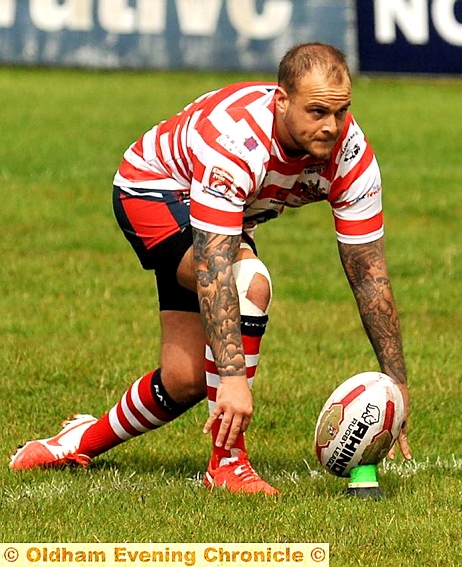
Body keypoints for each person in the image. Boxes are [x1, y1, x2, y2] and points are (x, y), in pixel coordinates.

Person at [10, 42, 412, 495]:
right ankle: (227, 464)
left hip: (221, 213)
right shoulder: (237, 143)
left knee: (184, 381)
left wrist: (396, 383)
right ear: (282, 102)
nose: (331, 126)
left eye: (340, 112)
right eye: (317, 111)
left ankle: (78, 440)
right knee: (250, 284)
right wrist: (235, 381)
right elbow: (215, 268)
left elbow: (369, 272)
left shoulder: (350, 155)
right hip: (151, 191)